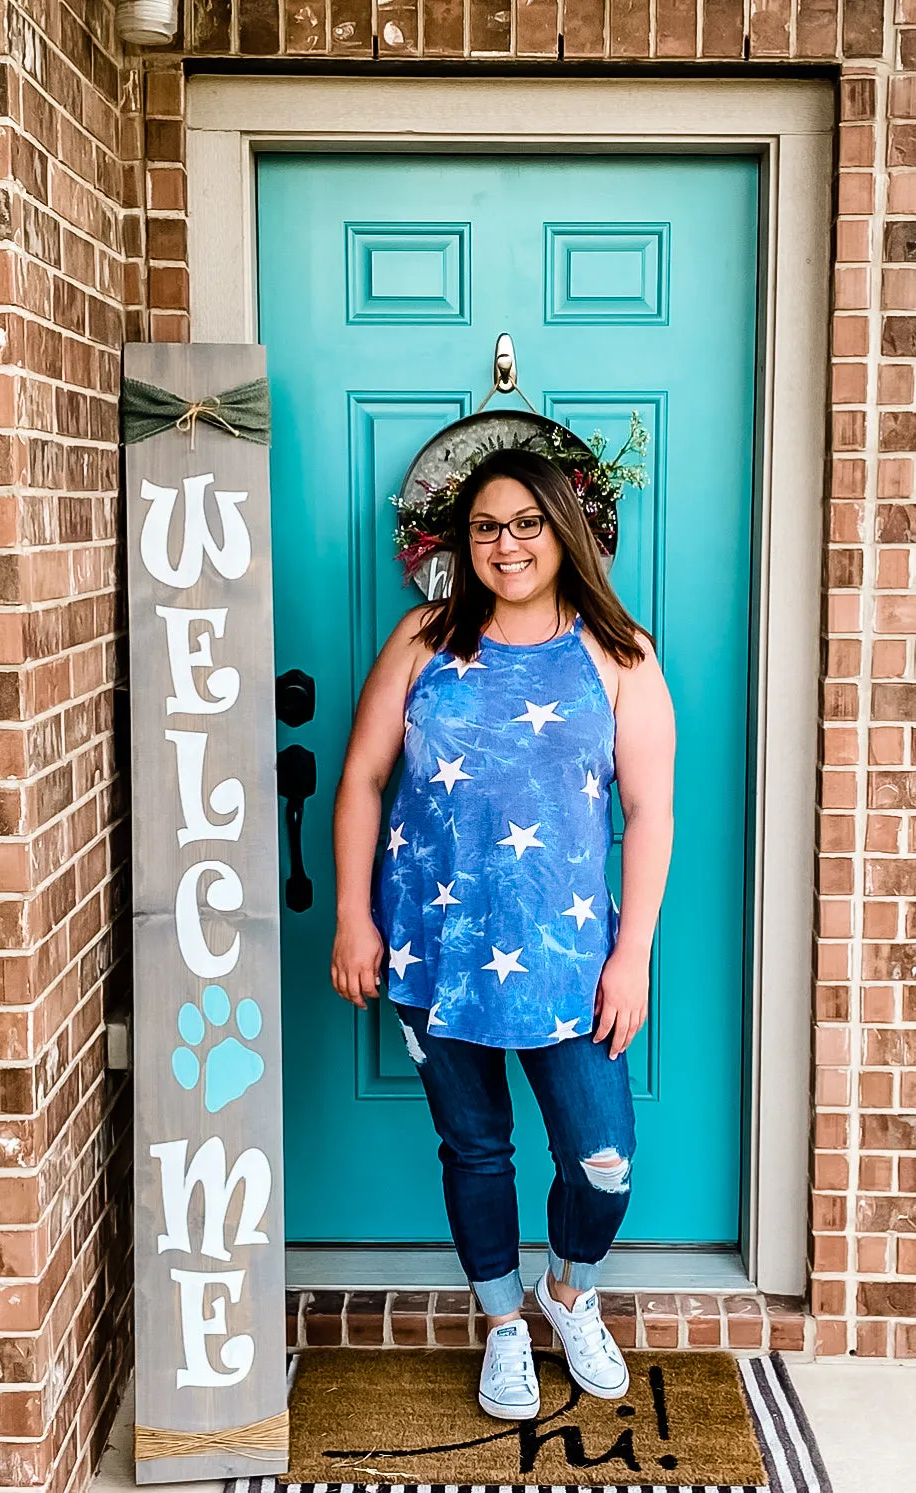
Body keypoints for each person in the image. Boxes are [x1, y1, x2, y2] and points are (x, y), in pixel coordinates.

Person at [331, 447, 675, 1420]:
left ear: (562, 529)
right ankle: (500, 1324)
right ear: (461, 540)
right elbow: (360, 778)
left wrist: (632, 953)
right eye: (487, 525)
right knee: (474, 1147)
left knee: (602, 1158)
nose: (507, 542)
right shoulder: (421, 642)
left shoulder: (620, 653)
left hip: (568, 959)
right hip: (430, 950)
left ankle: (567, 1293)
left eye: (526, 521)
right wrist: (354, 915)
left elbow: (651, 812)